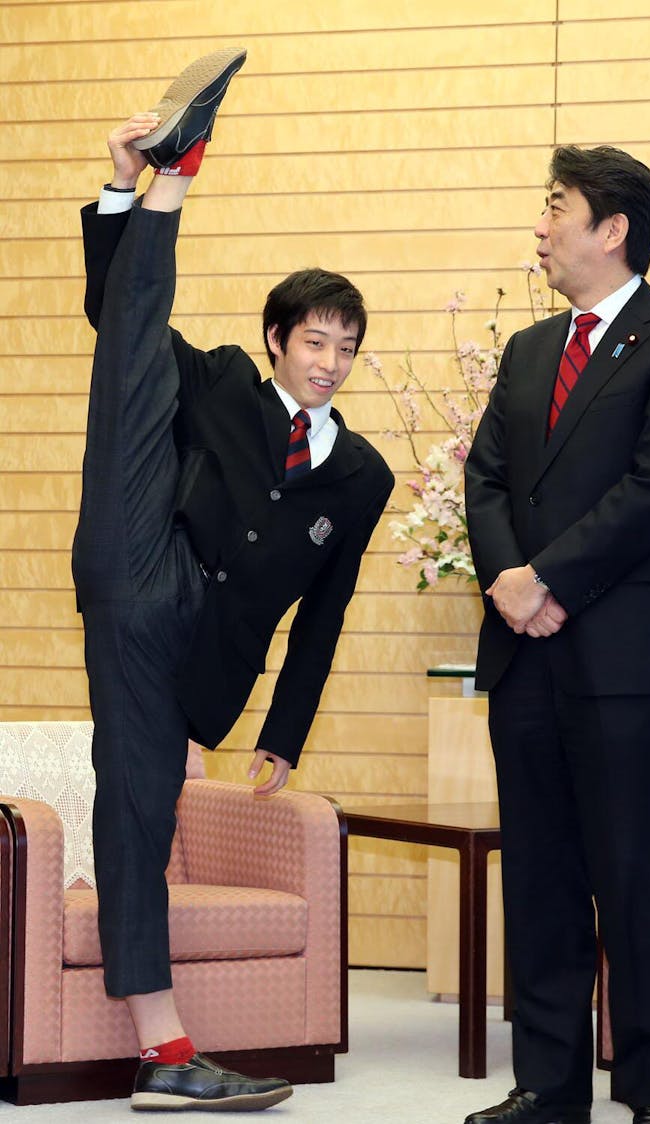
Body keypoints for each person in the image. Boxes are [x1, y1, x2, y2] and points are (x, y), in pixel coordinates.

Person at [73, 47, 393, 1112]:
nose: (330, 361)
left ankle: (167, 1062)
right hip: (141, 564)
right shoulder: (217, 379)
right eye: (315, 340)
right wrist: (118, 194)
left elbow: (323, 620)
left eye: (346, 347)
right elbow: (116, 320)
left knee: (139, 808)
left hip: (202, 656)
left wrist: (283, 733)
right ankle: (170, 176)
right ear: (277, 340)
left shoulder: (361, 475)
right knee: (129, 362)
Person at [463, 145, 650, 1124]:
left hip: (624, 660)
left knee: (635, 875)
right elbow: (484, 476)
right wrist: (504, 580)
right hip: (522, 650)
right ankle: (546, 1086)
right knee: (537, 876)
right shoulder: (529, 350)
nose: (538, 226)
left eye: (554, 208)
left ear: (610, 229)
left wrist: (548, 577)